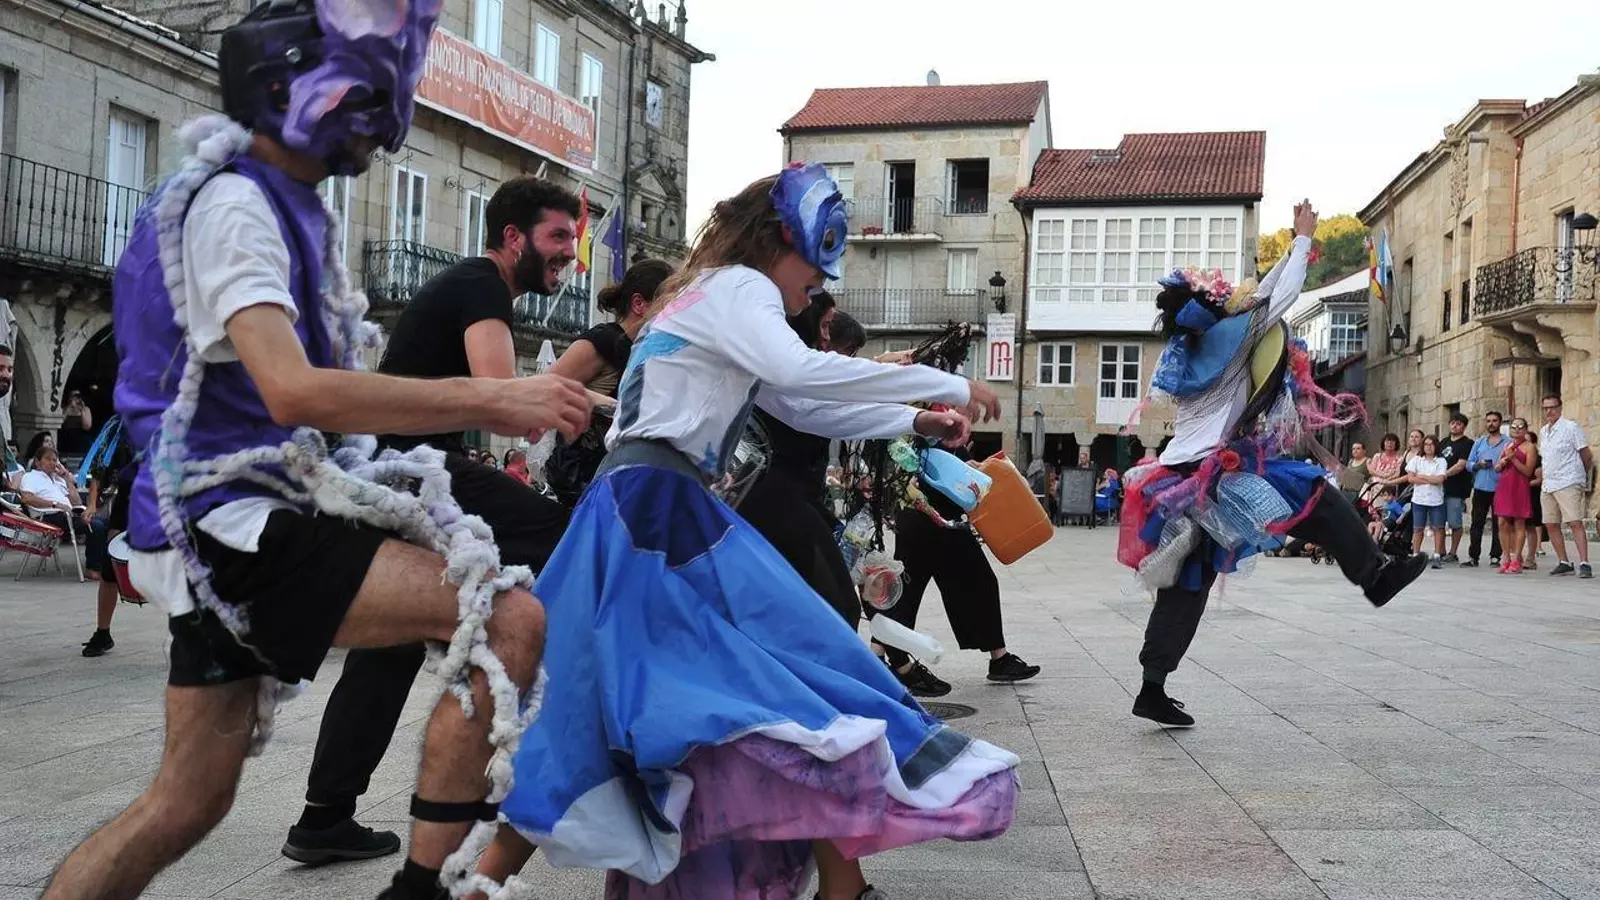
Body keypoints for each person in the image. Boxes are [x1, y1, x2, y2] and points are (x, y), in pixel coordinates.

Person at [37, 3, 594, 899]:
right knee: (507, 617)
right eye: (368, 93)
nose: (386, 116)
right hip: (236, 522)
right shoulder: (235, 208)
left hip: (243, 513)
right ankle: (420, 892)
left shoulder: (278, 204)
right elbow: (289, 390)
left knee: (186, 803)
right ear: (300, 90)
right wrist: (494, 395)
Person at [469, 164, 1018, 900]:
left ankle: (842, 885)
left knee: (611, 706)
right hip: (658, 513)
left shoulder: (708, 294)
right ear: (778, 243)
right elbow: (798, 372)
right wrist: (945, 384)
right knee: (791, 675)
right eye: (814, 269)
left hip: (637, 509)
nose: (818, 287)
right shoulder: (741, 289)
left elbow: (798, 404)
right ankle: (844, 887)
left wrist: (913, 419)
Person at [283, 174, 586, 867]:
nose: (570, 253)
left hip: (396, 471)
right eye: (558, 236)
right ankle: (579, 748)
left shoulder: (471, 284)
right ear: (513, 238)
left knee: (390, 644)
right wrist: (586, 407)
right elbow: (499, 398)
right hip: (414, 471)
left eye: (572, 238)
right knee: (571, 539)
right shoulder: (483, 285)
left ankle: (324, 816)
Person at [1120, 200, 1427, 728]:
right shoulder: (1228, 337)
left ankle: (1152, 686)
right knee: (1316, 495)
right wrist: (1303, 239)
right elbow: (1276, 299)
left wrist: (1288, 251)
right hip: (1216, 473)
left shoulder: (1190, 347)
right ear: (1214, 307)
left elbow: (1260, 297)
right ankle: (1375, 575)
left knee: (1188, 584)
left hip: (1179, 475)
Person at [543, 257, 674, 506]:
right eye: (669, 306)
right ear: (639, 304)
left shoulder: (646, 352)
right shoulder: (604, 341)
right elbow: (546, 387)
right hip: (582, 479)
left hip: (618, 479)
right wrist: (616, 408)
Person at [1537, 394, 1593, 578]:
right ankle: (1564, 561)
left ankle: (1584, 562)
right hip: (1549, 483)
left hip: (1568, 480)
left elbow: (1586, 454)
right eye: (1546, 408)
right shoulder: (1543, 431)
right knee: (1551, 523)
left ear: (1560, 408)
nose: (1549, 411)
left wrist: (1580, 474)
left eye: (1552, 407)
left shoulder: (1571, 427)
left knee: (1574, 521)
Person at [1493, 418, 1538, 574]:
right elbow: (1497, 468)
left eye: (1520, 427)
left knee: (1519, 522)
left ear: (1525, 429)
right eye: (1514, 427)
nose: (1517, 430)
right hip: (1505, 486)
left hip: (1520, 486)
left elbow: (1528, 471)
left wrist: (1513, 459)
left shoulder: (1530, 447)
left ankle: (1516, 558)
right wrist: (1502, 463)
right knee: (1502, 522)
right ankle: (1505, 556)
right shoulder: (1507, 445)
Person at [1464, 411, 1508, 567]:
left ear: (1500, 423)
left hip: (1500, 487)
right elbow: (1468, 464)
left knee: (1499, 524)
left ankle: (1495, 556)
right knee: (1477, 523)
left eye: (1494, 420)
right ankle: (1473, 556)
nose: (1491, 423)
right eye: (1488, 421)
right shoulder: (1479, 442)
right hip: (1481, 487)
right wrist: (1478, 465)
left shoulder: (1507, 442)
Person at [1406, 435, 1449, 567]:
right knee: (1418, 528)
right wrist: (1430, 479)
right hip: (1419, 499)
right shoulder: (1416, 460)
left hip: (1435, 499)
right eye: (1426, 444)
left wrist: (1422, 476)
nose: (1428, 447)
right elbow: (1411, 479)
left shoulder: (1441, 461)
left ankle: (1437, 555)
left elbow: (1439, 480)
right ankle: (1415, 554)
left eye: (1431, 444)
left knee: (1438, 528)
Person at [1439, 414, 1475, 562]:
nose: (1455, 426)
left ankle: (1453, 552)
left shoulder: (1467, 443)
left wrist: (1444, 474)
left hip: (1456, 488)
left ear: (1464, 427)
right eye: (1453, 423)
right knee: (1438, 522)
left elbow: (1461, 464)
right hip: (1439, 488)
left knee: (1454, 522)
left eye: (1458, 424)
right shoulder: (1443, 442)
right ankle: (1440, 551)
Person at [1338, 440, 1369, 505]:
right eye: (1353, 449)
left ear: (1364, 451)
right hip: (1345, 491)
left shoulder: (1368, 461)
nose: (1355, 451)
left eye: (1358, 448)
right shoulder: (1351, 461)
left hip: (1357, 493)